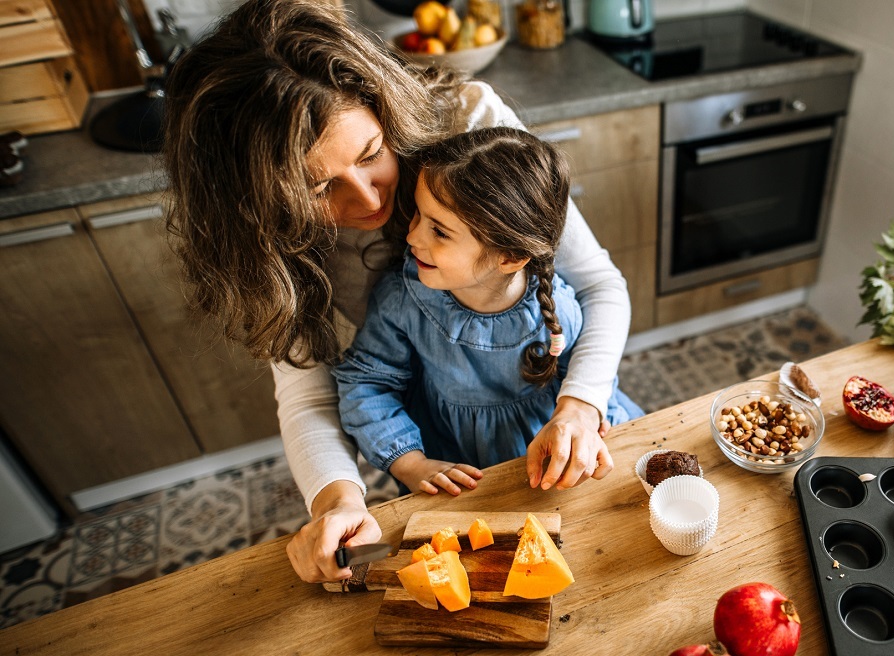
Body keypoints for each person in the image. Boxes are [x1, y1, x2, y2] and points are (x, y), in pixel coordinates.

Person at [162, 0, 633, 584]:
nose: (369, 203)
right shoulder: (282, 246)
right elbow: (316, 394)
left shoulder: (471, 128)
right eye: (318, 188)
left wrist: (582, 405)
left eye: (371, 155)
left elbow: (598, 286)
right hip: (448, 449)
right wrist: (338, 501)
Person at [333, 127, 642, 494]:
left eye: (440, 232)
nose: (412, 237)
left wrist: (584, 433)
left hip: (552, 471)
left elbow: (590, 386)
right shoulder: (402, 300)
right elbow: (366, 385)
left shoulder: (555, 306)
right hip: (460, 474)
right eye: (419, 214)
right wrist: (411, 464)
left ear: (510, 257)